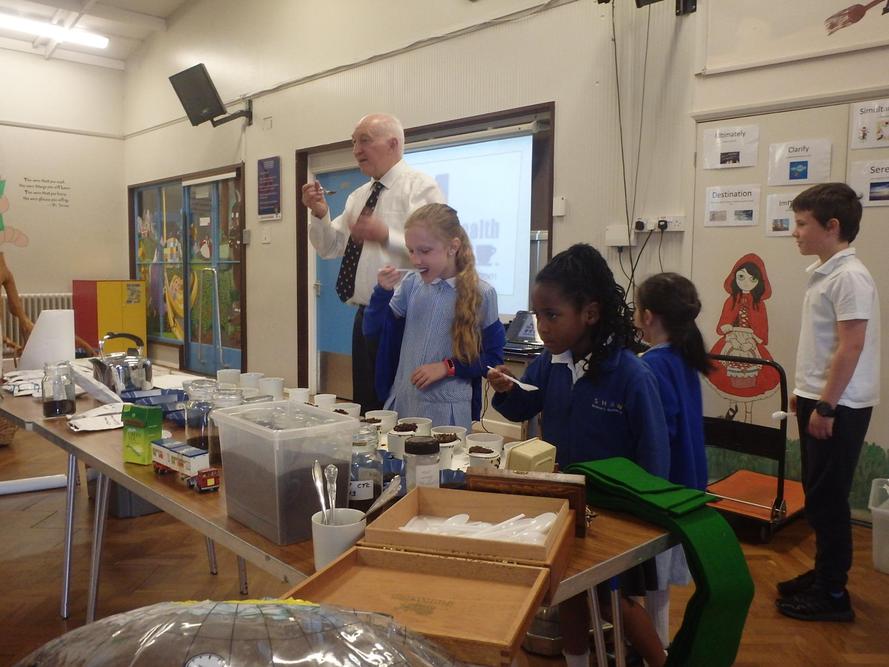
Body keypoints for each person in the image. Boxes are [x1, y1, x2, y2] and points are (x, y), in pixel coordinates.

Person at [488, 243, 668, 667]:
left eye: (552, 315)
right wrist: (507, 390)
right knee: (566, 593)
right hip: (567, 503)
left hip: (618, 514)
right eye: (537, 315)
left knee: (613, 604)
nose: (542, 327)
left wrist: (644, 518)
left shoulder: (631, 375)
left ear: (589, 313)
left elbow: (654, 456)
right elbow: (524, 406)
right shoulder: (550, 363)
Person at [776, 182, 880, 622]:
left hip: (840, 406)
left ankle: (833, 593)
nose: (795, 232)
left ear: (831, 226)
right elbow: (825, 346)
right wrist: (806, 392)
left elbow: (850, 347)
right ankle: (823, 574)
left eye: (802, 224)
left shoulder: (849, 277)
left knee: (829, 499)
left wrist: (827, 406)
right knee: (817, 495)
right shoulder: (826, 274)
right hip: (820, 397)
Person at [301, 113, 444, 413]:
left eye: (364, 141)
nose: (356, 150)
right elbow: (330, 247)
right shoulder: (358, 196)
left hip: (406, 318)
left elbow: (437, 252)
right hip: (366, 315)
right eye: (353, 142)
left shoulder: (420, 187)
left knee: (401, 406)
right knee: (368, 404)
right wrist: (320, 214)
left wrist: (385, 236)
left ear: (393, 144)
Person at [363, 203, 504, 430]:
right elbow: (372, 331)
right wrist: (381, 294)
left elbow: (493, 360)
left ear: (452, 247)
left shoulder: (483, 294)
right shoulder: (411, 285)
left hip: (447, 415)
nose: (416, 260)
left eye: (425, 251)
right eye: (411, 251)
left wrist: (448, 367)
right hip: (404, 405)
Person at [635, 272, 713, 645]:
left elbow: (660, 433)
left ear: (647, 316)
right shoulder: (684, 358)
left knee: (653, 575)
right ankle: (656, 642)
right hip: (688, 480)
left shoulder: (652, 365)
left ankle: (655, 646)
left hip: (664, 486)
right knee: (660, 579)